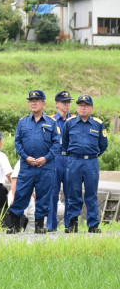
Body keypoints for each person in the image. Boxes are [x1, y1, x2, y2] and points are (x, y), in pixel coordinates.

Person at [6, 90, 61, 234]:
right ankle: (15, 225)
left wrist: (46, 158)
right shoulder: (22, 122)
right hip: (27, 166)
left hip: (46, 166)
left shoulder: (52, 122)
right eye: (31, 100)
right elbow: (18, 143)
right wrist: (26, 157)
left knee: (43, 196)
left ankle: (39, 226)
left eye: (37, 100)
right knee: (21, 194)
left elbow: (57, 144)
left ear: (44, 103)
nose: (34, 103)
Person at [63, 94, 108, 233]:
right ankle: (72, 223)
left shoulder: (98, 124)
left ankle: (93, 225)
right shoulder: (69, 123)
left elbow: (103, 145)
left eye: (86, 105)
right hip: (74, 161)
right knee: (73, 193)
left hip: (91, 162)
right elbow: (64, 143)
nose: (83, 108)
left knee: (91, 194)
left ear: (91, 108)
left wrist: (91, 156)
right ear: (77, 107)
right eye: (80, 105)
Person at [49, 91, 73, 232]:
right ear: (57, 104)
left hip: (70, 158)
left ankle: (70, 225)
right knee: (52, 192)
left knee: (71, 193)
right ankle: (51, 225)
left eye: (69, 102)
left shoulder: (75, 120)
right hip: (55, 158)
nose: (67, 105)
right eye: (64, 102)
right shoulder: (50, 120)